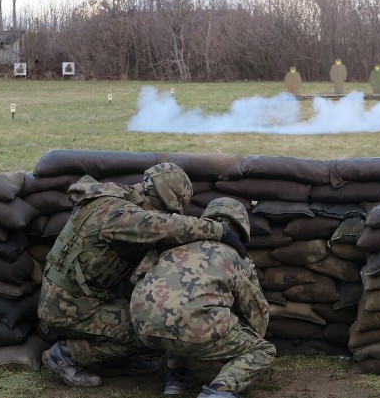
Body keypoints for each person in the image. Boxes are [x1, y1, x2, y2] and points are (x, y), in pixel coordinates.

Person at [38, 163, 247, 388]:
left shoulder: (116, 200)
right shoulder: (120, 214)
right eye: (168, 211)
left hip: (77, 298)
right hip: (69, 307)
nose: (167, 215)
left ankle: (113, 360)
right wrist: (218, 230)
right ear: (162, 198)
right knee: (151, 328)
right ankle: (66, 354)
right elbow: (165, 227)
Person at [129, 197, 274, 398]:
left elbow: (137, 278)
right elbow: (256, 311)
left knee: (175, 306)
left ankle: (177, 377)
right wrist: (246, 339)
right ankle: (219, 391)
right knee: (263, 349)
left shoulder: (172, 241)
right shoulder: (237, 255)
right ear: (241, 228)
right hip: (194, 328)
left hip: (143, 326)